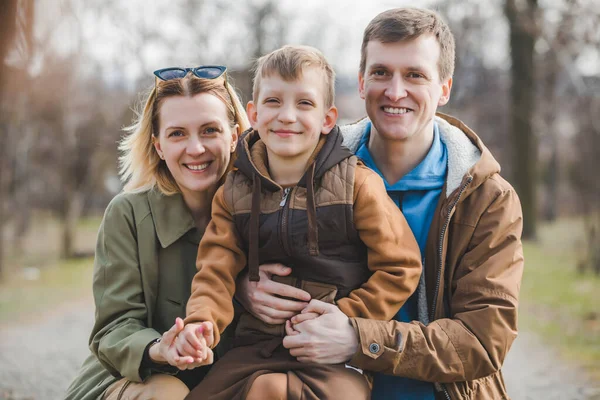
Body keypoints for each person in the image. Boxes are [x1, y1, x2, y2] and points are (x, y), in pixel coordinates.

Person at [238, 8, 524, 400]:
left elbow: (482, 339)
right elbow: (229, 242)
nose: (394, 91)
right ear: (360, 82)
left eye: (415, 75)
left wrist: (360, 339)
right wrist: (243, 286)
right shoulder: (302, 165)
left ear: (444, 88)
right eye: (381, 72)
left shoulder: (487, 199)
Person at [177, 45, 422, 400]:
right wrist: (202, 323)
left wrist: (347, 318)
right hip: (254, 347)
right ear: (254, 113)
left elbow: (400, 266)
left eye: (304, 103)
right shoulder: (233, 190)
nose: (287, 116)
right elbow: (215, 269)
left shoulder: (357, 184)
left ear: (327, 118)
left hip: (332, 354)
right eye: (274, 102)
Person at [64, 65, 250, 400]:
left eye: (209, 130)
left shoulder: (264, 211)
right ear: (159, 145)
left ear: (234, 135)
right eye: (177, 133)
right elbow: (113, 329)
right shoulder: (128, 214)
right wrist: (158, 347)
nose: (195, 148)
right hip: (133, 380)